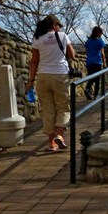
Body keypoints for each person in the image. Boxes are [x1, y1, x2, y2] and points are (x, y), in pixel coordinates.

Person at [25, 15, 75, 151]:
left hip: (43, 76)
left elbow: (34, 61)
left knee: (48, 109)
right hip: (60, 75)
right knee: (63, 107)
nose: (59, 28)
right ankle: (60, 135)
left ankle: (52, 144)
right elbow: (72, 55)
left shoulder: (37, 39)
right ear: (54, 25)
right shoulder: (63, 36)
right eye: (58, 25)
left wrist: (31, 80)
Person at [84, 26, 106, 100]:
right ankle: (95, 95)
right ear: (98, 33)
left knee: (91, 77)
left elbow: (86, 52)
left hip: (89, 62)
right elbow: (102, 53)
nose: (101, 35)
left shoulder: (88, 41)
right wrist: (104, 62)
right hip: (97, 62)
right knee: (97, 79)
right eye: (101, 33)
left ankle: (88, 90)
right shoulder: (100, 41)